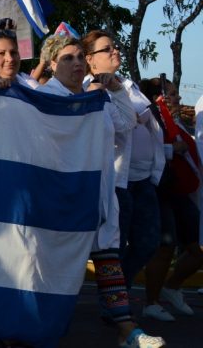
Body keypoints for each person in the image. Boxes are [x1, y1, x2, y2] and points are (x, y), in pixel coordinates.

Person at [37, 35, 163, 348]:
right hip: (62, 197)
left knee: (108, 260)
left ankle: (127, 331)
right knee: (53, 266)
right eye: (68, 58)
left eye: (81, 57)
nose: (77, 63)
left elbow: (125, 124)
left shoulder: (98, 96)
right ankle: (32, 329)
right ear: (52, 64)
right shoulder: (45, 98)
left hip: (100, 193)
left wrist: (117, 89)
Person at [83, 31, 164, 302]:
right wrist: (113, 92)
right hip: (118, 181)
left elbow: (149, 122)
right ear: (91, 60)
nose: (115, 52)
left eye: (115, 47)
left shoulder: (129, 85)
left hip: (142, 179)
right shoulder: (89, 88)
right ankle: (115, 306)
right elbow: (125, 124)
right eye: (107, 49)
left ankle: (120, 294)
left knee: (148, 243)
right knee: (113, 248)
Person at [140, 77, 203, 322]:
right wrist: (171, 149)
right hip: (162, 190)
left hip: (180, 192)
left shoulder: (175, 121)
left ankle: (172, 286)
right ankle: (150, 303)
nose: (178, 98)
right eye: (173, 94)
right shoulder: (152, 118)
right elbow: (147, 148)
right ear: (160, 98)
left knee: (197, 248)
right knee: (165, 248)